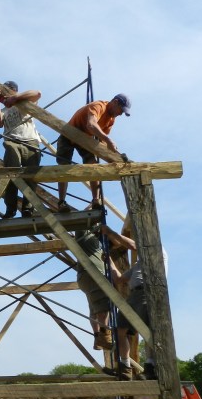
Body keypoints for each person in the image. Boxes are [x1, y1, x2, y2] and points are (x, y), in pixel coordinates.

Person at [55, 94, 131, 211]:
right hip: (68, 134)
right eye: (121, 110)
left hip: (85, 139)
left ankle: (96, 200)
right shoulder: (98, 106)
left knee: (93, 165)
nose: (120, 114)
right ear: (115, 102)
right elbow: (91, 125)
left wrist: (114, 154)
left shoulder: (111, 120)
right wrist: (108, 140)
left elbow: (102, 141)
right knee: (64, 167)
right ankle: (61, 202)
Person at [110, 239, 169, 380]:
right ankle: (125, 367)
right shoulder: (138, 264)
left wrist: (109, 233)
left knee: (148, 331)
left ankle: (151, 367)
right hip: (134, 295)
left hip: (148, 291)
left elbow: (134, 245)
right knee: (120, 330)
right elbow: (119, 279)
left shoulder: (157, 250)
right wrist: (109, 260)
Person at [75, 223, 135, 351]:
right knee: (103, 307)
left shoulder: (98, 240)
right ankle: (105, 336)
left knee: (94, 309)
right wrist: (102, 226)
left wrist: (107, 231)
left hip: (87, 277)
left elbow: (117, 243)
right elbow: (83, 219)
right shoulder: (83, 231)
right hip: (93, 275)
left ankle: (98, 337)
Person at [0, 81, 42, 218]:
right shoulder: (4, 110)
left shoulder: (24, 102)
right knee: (11, 175)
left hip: (30, 141)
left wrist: (15, 98)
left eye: (6, 91)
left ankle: (28, 208)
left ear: (13, 90)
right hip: (12, 141)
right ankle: (11, 209)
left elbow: (37, 93)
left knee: (30, 176)